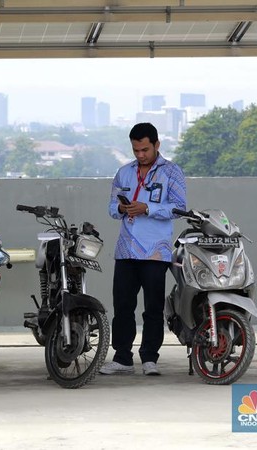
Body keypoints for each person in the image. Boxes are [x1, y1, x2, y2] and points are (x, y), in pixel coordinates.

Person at [100, 122, 186, 376]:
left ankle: (150, 358)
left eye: (145, 150)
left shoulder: (172, 173)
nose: (140, 155)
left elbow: (178, 208)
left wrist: (147, 208)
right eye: (136, 150)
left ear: (157, 145)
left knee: (153, 307)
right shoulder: (124, 172)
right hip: (126, 251)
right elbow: (111, 208)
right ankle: (122, 358)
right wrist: (122, 209)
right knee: (123, 306)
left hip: (155, 252)